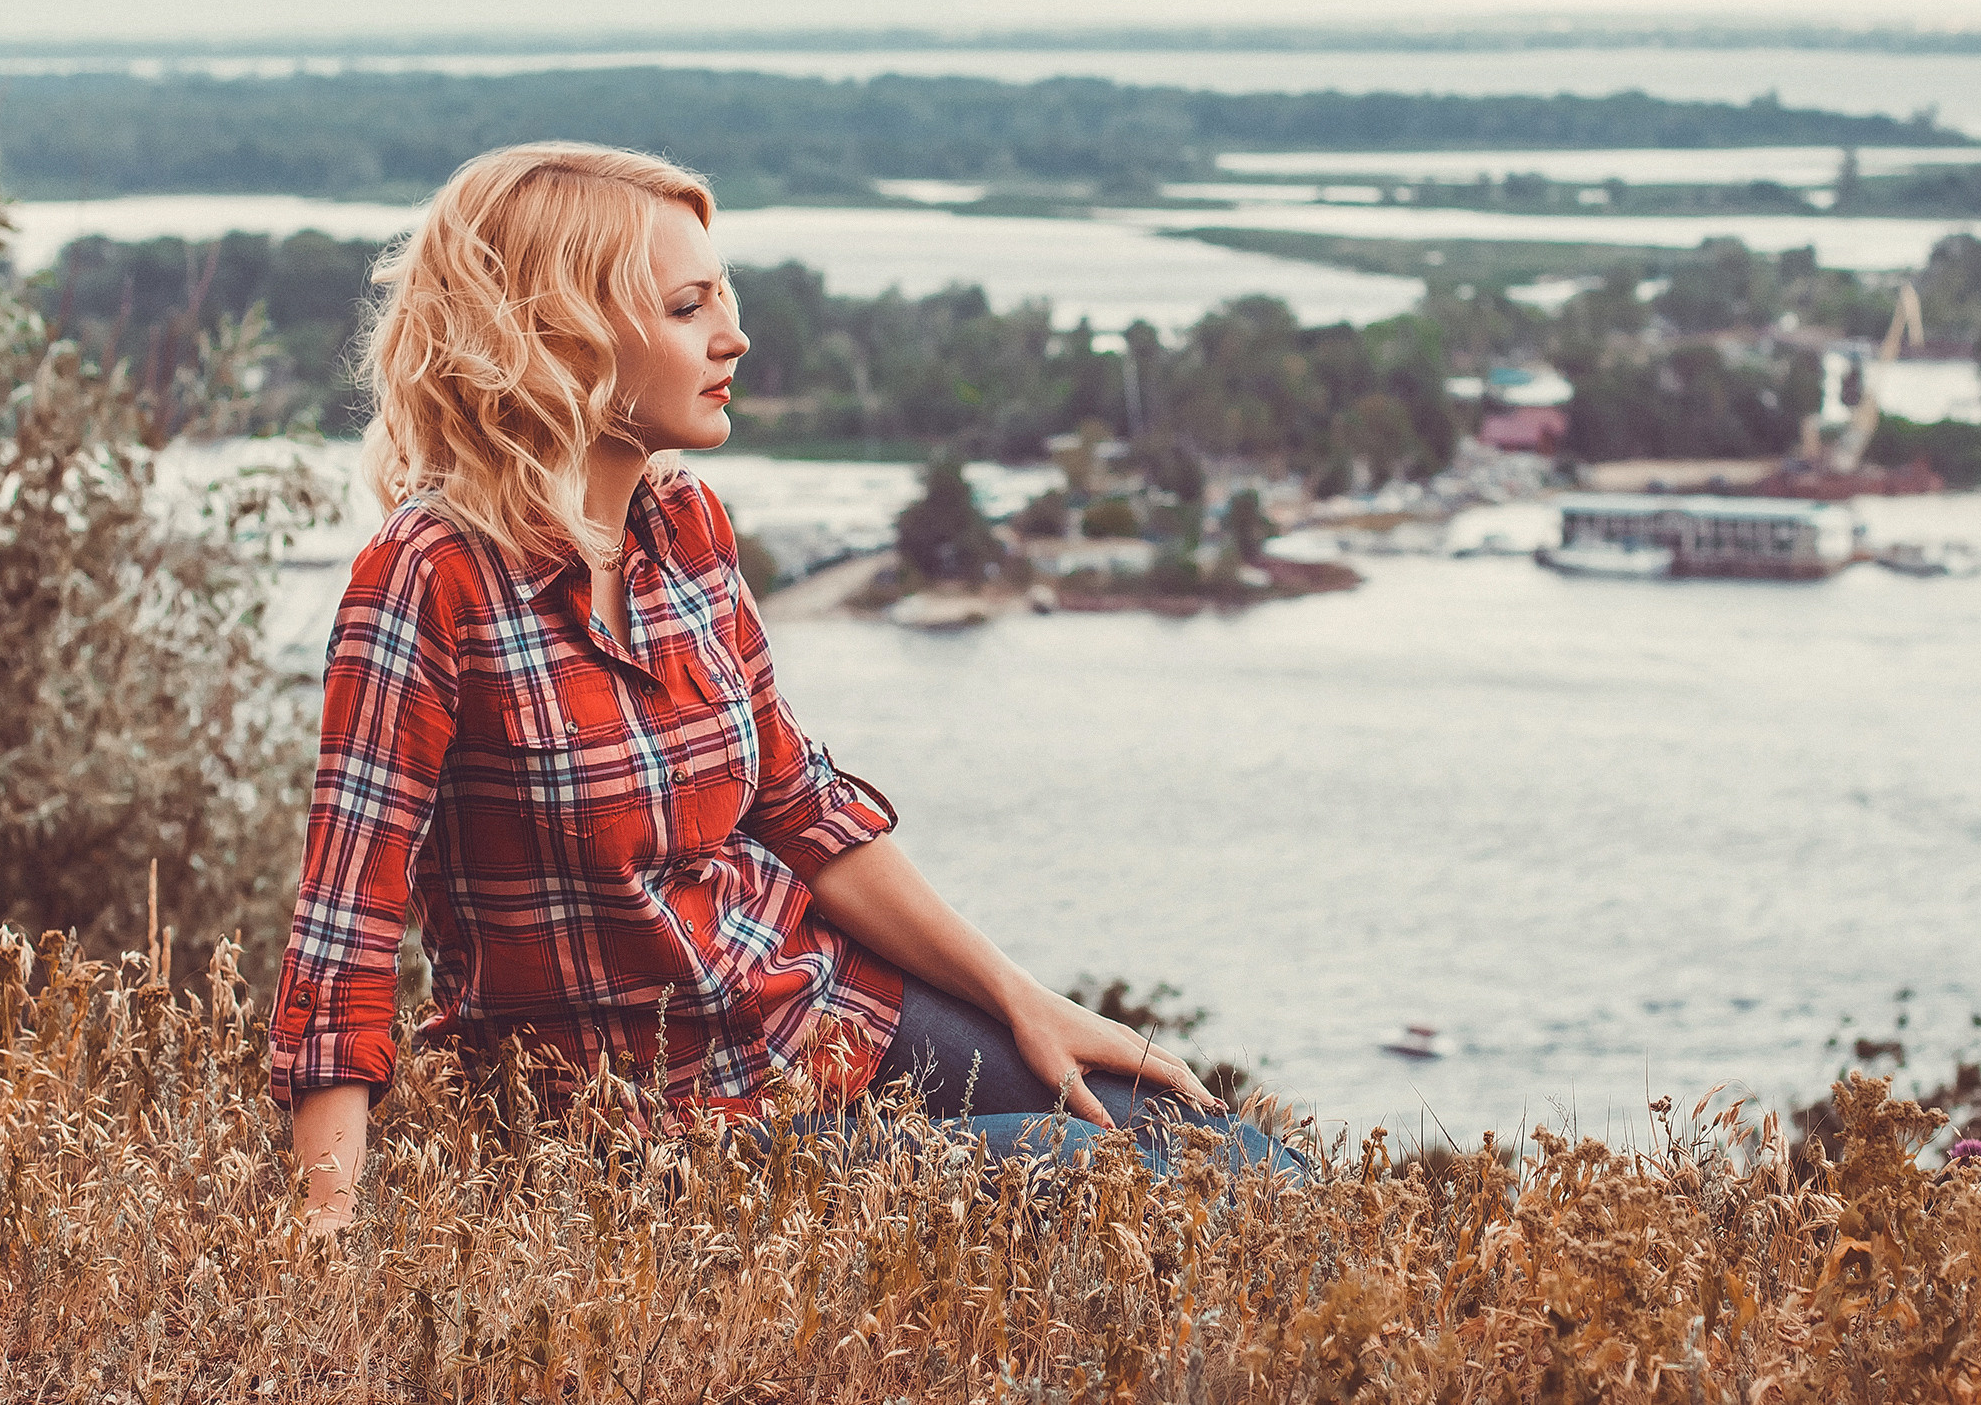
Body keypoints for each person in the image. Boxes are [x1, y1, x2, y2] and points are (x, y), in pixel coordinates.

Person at [273, 143, 1294, 1233]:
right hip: (647, 1133)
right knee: (1129, 1189)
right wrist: (323, 1242)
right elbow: (346, 934)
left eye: (726, 295)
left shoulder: (685, 528)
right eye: (686, 307)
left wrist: (1022, 1000)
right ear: (559, 339)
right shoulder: (430, 577)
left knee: (1224, 1154)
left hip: (810, 1011)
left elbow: (801, 808)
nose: (734, 336)